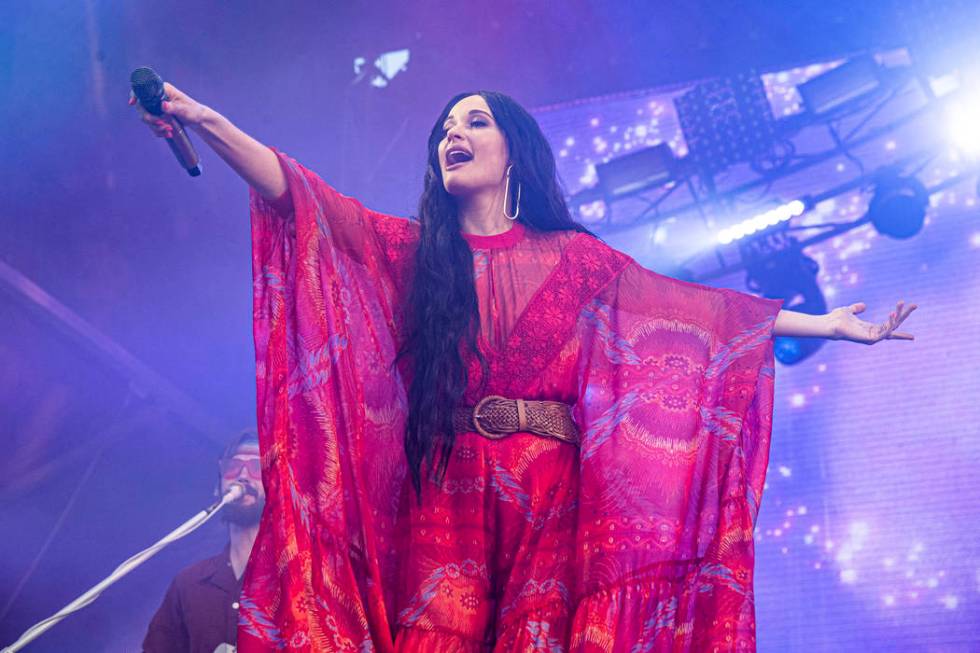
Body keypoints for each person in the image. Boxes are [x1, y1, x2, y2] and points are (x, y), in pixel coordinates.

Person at [132, 85, 916, 652]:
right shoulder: (414, 254)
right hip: (446, 494)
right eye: (444, 126)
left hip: (551, 496)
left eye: (475, 120)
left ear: (515, 152)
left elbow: (698, 316)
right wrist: (199, 116)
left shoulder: (578, 261)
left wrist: (832, 323)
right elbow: (298, 192)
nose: (453, 132)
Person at [142, 430, 265, 653]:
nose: (243, 475)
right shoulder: (189, 583)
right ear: (218, 486)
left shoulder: (299, 579)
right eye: (233, 466)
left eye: (258, 467)